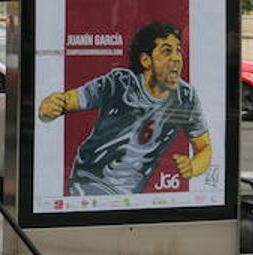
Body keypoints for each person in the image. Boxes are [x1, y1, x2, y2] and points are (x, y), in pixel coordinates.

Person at [38, 21, 211, 196]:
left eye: (178, 51)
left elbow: (205, 147)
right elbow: (68, 101)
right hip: (89, 183)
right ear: (146, 60)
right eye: (167, 51)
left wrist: (193, 166)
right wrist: (50, 107)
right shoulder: (119, 83)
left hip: (129, 198)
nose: (176, 58)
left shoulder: (186, 97)